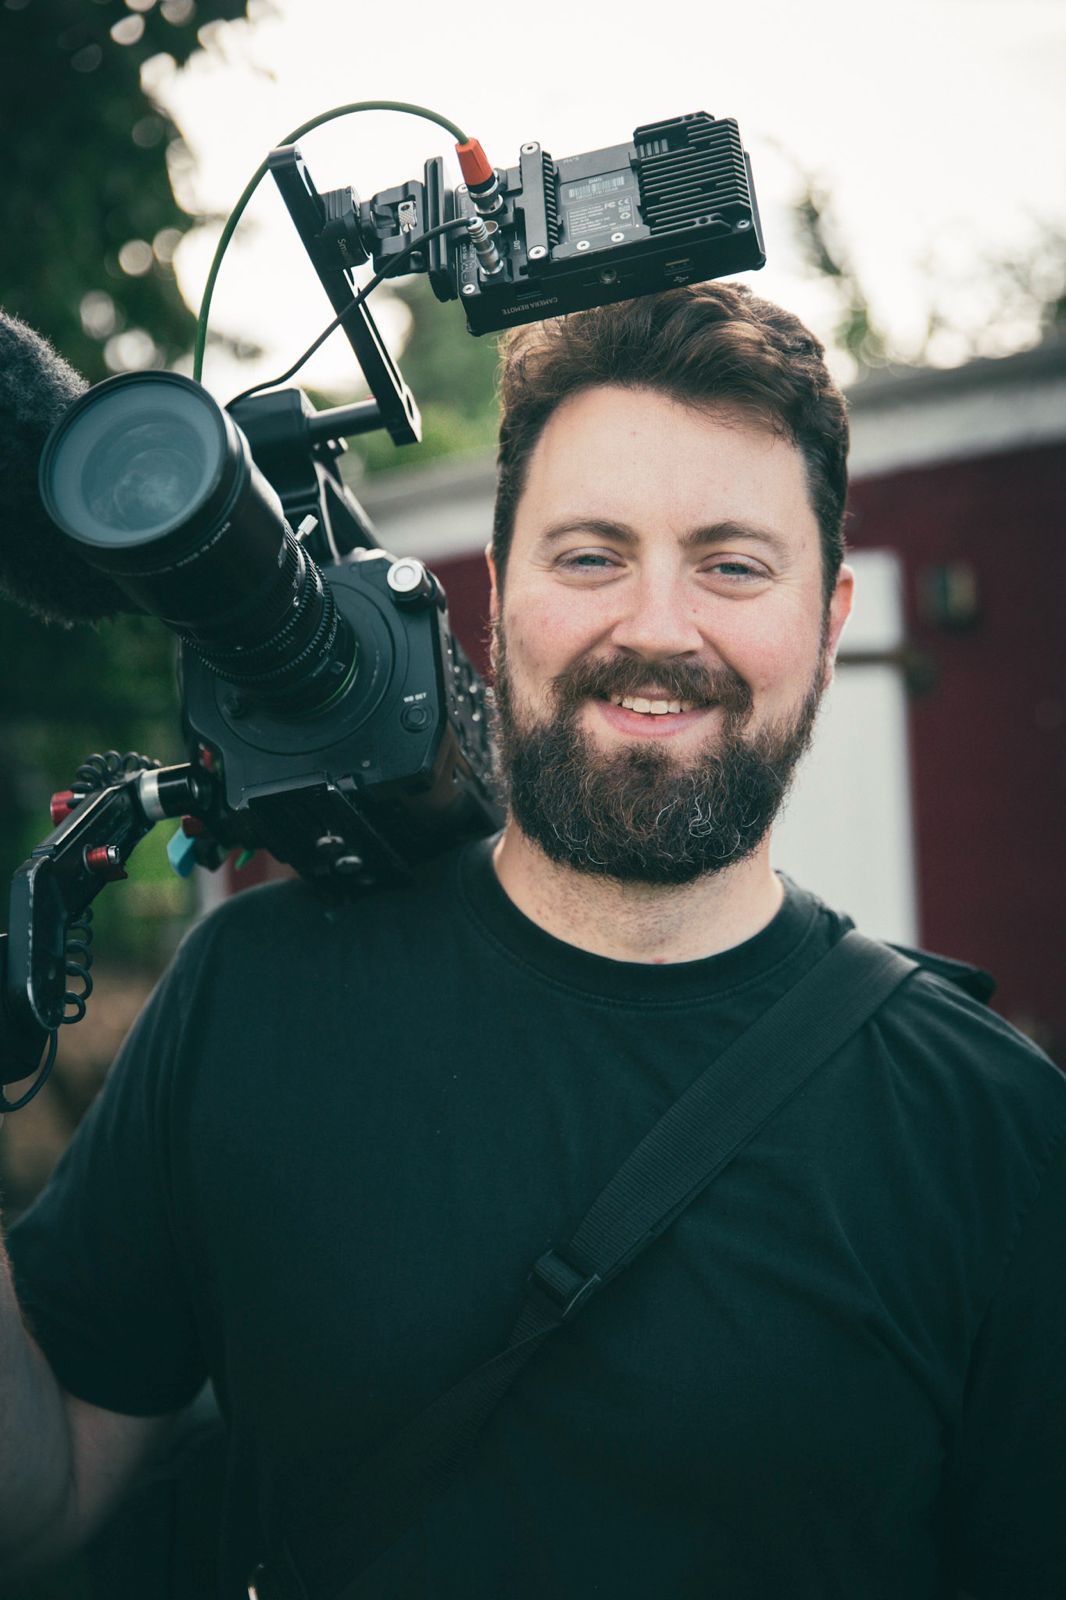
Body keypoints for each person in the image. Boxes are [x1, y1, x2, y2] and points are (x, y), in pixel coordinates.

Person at [2, 282, 1065, 1600]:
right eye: (590, 555)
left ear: (831, 621)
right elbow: (42, 1494)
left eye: (731, 564)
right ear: (498, 598)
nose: (657, 628)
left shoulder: (999, 1139)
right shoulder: (251, 992)